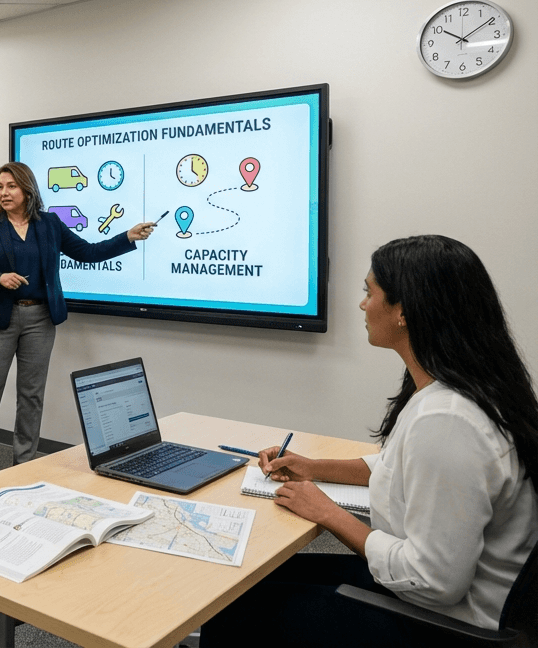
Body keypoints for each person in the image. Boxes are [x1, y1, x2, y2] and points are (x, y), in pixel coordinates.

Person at [202, 235, 538, 647]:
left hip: (444, 625)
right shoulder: (462, 389)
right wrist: (311, 467)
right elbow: (397, 466)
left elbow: (432, 582)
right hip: (437, 603)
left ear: (404, 311)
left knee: (234, 608)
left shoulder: (450, 422)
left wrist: (327, 513)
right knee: (248, 582)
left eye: (370, 292)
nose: (362, 305)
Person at [0, 162, 154, 483]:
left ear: (27, 189)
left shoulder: (49, 224)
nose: (3, 193)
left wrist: (126, 237)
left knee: (31, 394)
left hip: (40, 318)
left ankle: (23, 462)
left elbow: (88, 252)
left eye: (11, 186)